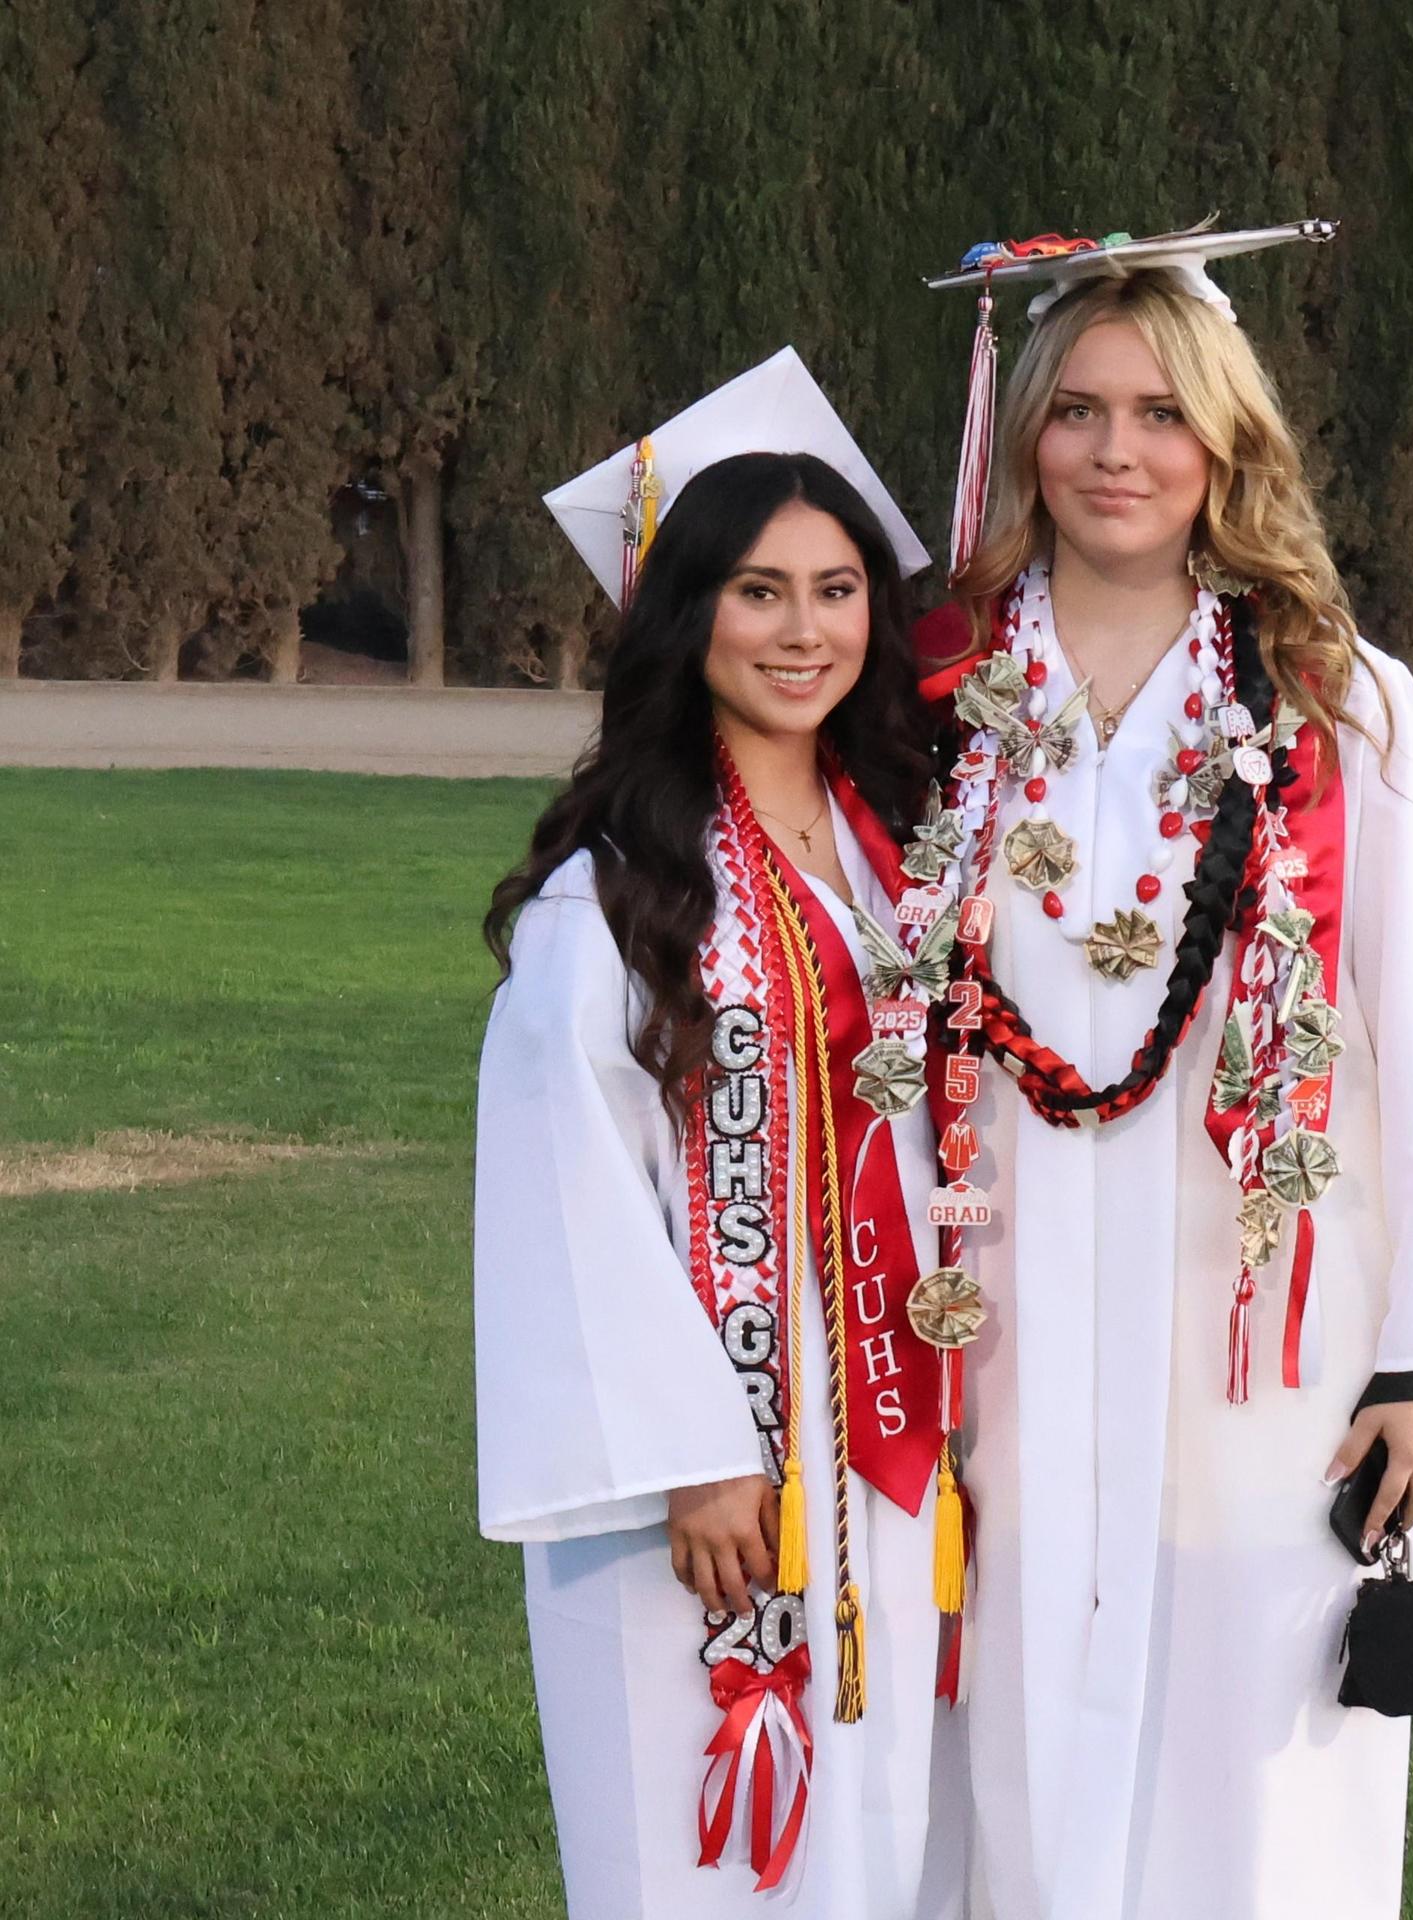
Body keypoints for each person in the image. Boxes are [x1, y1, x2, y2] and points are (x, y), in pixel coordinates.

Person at [913, 226, 1413, 1918]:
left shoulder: (1339, 704)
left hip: (1262, 1314)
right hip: (1003, 1305)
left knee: (1251, 1740)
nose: (1116, 451)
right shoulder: (947, 698)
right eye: (1076, 410)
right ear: (1027, 439)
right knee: (1013, 1716)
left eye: (1159, 411)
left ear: (1224, 437)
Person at [474, 351, 970, 1920]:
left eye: (837, 589)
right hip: (706, 1469)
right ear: (688, 619)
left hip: (883, 1432)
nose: (806, 630)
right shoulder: (614, 892)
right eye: (760, 592)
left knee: (880, 1828)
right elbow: (573, 1192)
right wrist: (693, 1460)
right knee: (696, 1849)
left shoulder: (898, 851)